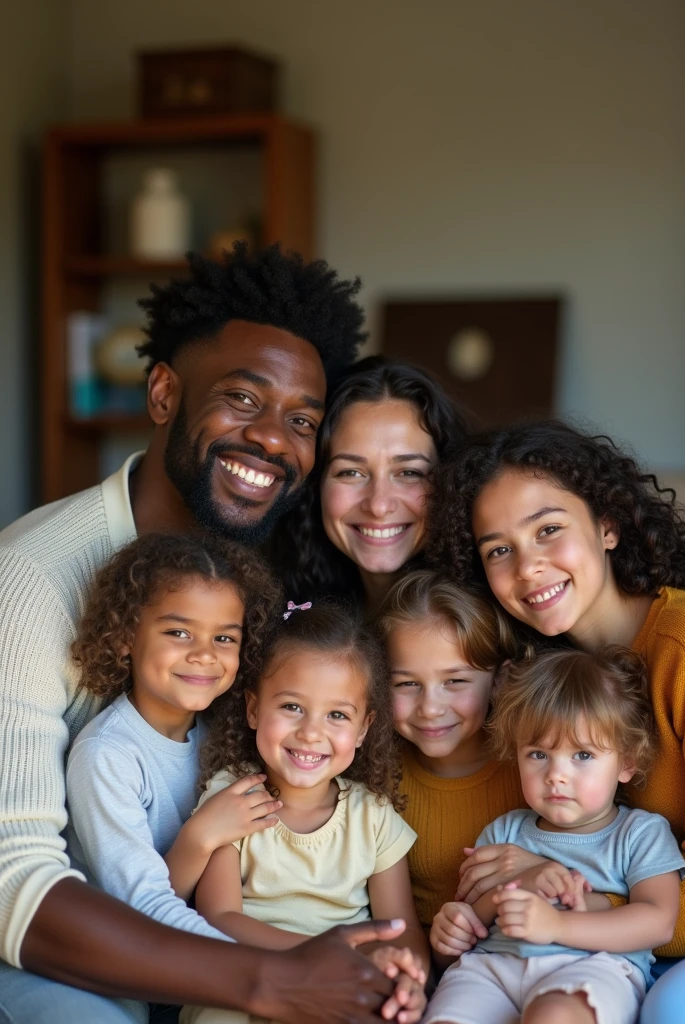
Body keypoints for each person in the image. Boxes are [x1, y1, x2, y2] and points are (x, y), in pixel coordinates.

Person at [0, 243, 410, 1024]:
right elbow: (14, 883)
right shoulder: (30, 579)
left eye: (301, 421)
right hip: (45, 964)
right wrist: (268, 981)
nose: (270, 440)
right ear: (163, 393)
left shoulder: (265, 577)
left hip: (198, 947)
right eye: (242, 399)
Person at [428, 419, 685, 1022]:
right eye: (499, 549)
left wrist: (563, 890)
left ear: (607, 525)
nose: (527, 568)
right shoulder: (536, 679)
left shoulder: (680, 651)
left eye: (548, 530)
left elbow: (654, 911)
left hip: (634, 952)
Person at [171, 601, 429, 1024]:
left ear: (364, 728)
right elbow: (220, 917)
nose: (311, 732)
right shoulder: (233, 797)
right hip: (248, 975)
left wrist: (409, 978)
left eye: (337, 715)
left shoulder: (375, 817)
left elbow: (403, 933)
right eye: (292, 707)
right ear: (254, 709)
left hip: (342, 982)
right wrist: (319, 953)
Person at [65, 533, 283, 1019]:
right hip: (129, 973)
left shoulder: (222, 736)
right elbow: (139, 911)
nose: (205, 654)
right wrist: (199, 838)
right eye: (179, 632)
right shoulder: (107, 756)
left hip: (208, 956)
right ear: (125, 636)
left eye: (224, 637)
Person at [425, 646, 685, 1024]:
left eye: (582, 755)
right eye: (538, 754)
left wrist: (557, 925)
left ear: (626, 762)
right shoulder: (503, 832)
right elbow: (473, 924)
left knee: (554, 1016)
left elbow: (658, 921)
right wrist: (454, 927)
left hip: (594, 968)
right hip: (492, 968)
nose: (556, 775)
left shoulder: (639, 833)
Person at [375, 569, 525, 939]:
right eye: (406, 684)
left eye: (454, 681)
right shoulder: (376, 778)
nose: (430, 707)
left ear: (500, 680)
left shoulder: (535, 768)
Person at [272, 356, 468, 610]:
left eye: (409, 472)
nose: (378, 505)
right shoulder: (293, 610)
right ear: (315, 485)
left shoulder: (480, 630)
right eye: (351, 473)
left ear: (450, 482)